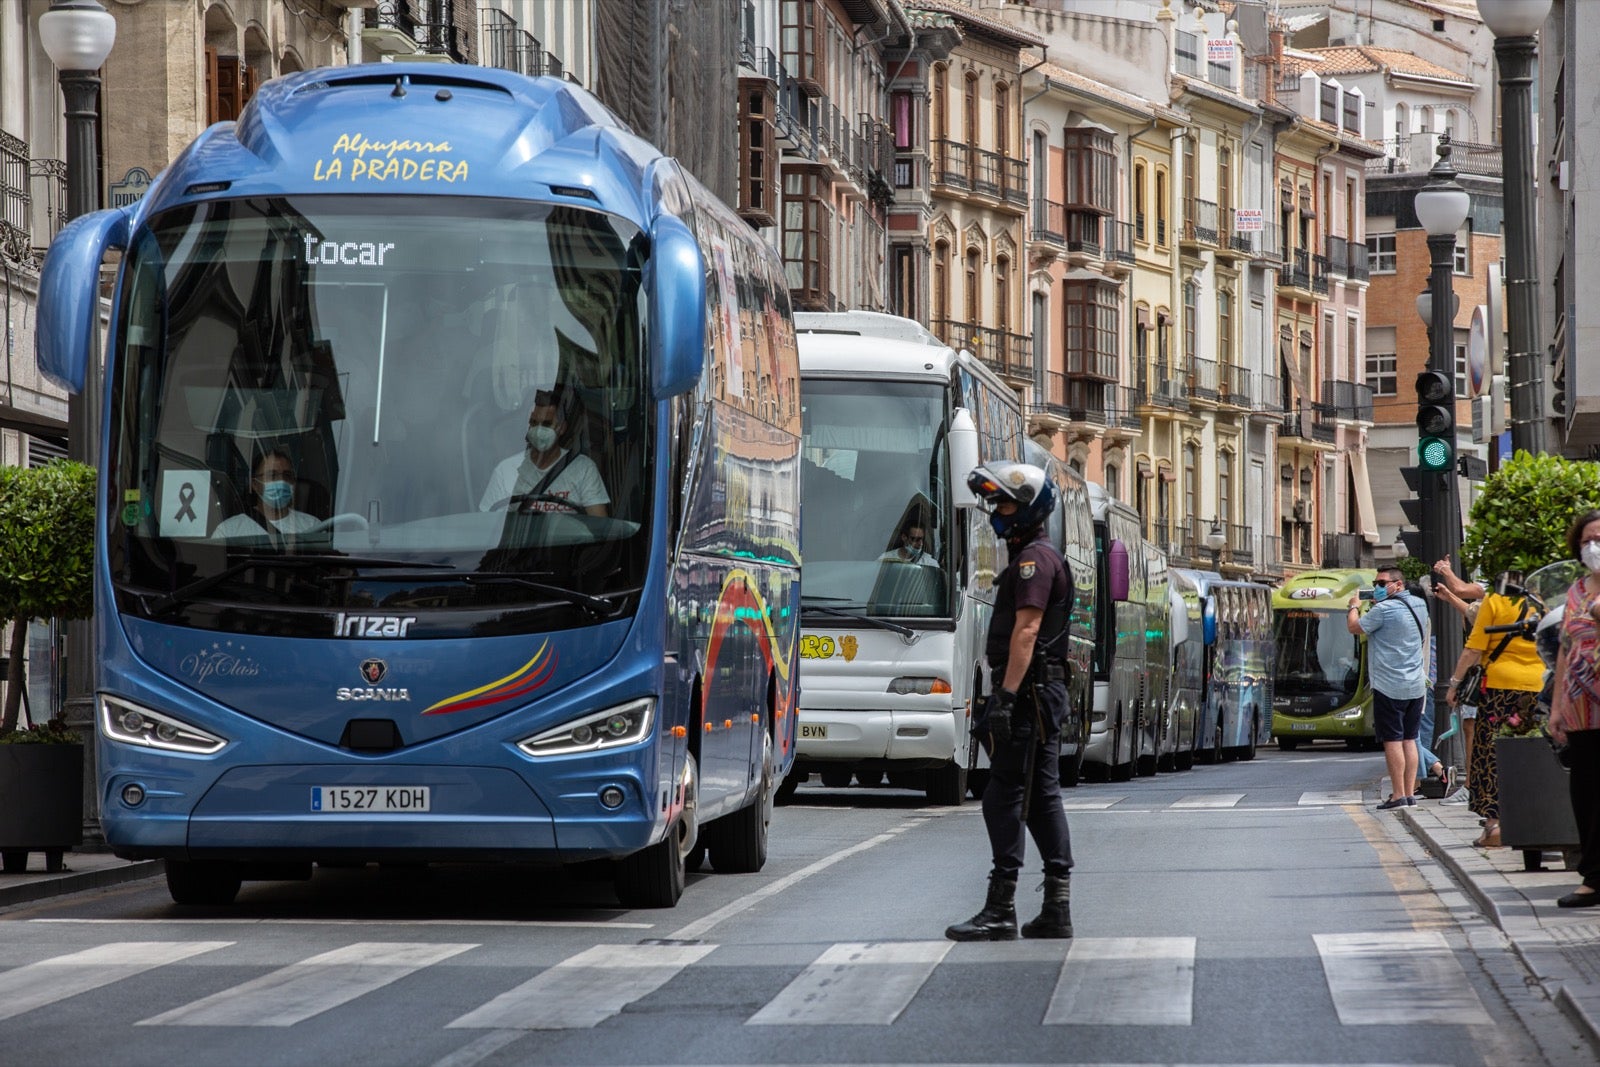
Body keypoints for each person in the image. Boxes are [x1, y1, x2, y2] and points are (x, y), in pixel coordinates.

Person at [946, 462, 1075, 942]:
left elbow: (1027, 631)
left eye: (1003, 503)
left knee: (1003, 797)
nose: (996, 512)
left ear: (1026, 511)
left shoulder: (1033, 562)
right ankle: (1056, 908)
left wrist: (1003, 698)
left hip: (1029, 697)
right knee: (1041, 798)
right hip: (1040, 693)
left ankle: (1001, 910)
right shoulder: (1038, 556)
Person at [1446, 572, 1544, 848]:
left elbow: (1473, 649)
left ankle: (1494, 827)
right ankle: (1534, 818)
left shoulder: (1495, 601)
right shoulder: (1541, 602)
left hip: (1501, 689)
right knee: (1532, 753)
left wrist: (1454, 684)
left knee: (1490, 754)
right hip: (1537, 688)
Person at [1548, 509, 1600, 907]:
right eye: (1586, 541)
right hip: (1582, 709)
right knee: (1585, 792)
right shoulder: (1576, 591)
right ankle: (1593, 878)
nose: (1593, 546)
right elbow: (1565, 647)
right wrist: (1557, 707)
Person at [1347, 566, 1429, 810]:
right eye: (1376, 583)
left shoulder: (1383, 610)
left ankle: (1397, 795)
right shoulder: (1419, 605)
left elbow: (1354, 627)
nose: (1377, 587)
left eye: (1383, 583)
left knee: (1393, 740)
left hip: (1389, 685)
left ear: (1398, 584)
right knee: (1411, 738)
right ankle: (1410, 793)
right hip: (1415, 683)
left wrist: (1353, 606)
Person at [479, 387, 609, 515]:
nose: (539, 431)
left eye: (547, 424)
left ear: (562, 428)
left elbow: (599, 526)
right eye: (534, 423)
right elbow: (488, 525)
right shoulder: (505, 471)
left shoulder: (583, 469)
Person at [212, 449, 320, 544]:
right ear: (255, 484)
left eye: (287, 475)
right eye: (272, 475)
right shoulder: (229, 531)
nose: (281, 481)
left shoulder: (312, 526)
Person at [1437, 590, 1482, 806]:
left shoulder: (1492, 606)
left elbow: (1471, 650)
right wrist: (1449, 595)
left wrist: (1453, 684)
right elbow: (1468, 603)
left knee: (1471, 730)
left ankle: (1471, 787)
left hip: (1486, 681)